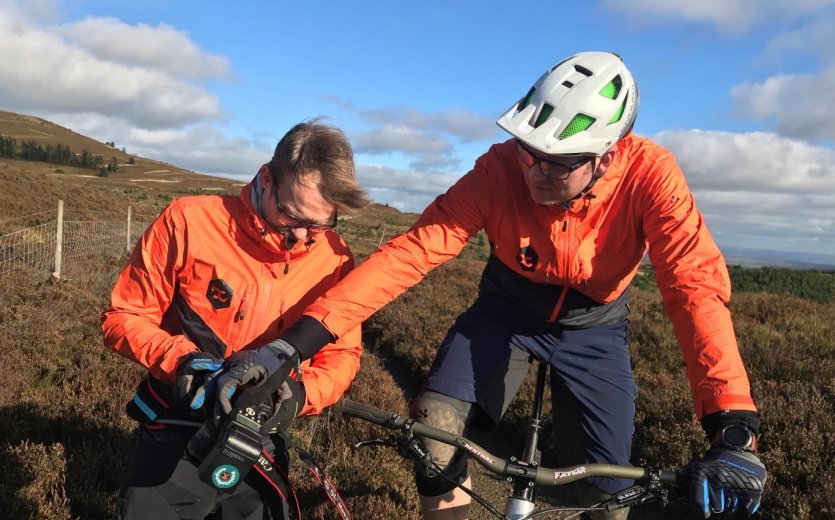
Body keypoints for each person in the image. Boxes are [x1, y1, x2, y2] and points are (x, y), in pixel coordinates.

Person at [207, 52, 768, 519]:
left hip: (593, 327)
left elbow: (693, 287)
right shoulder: (498, 169)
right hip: (505, 306)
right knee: (434, 432)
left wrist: (732, 426)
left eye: (558, 162)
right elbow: (413, 251)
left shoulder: (652, 175)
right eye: (529, 151)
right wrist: (293, 345)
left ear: (609, 155)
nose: (534, 172)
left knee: (610, 490)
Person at [101, 119, 371, 519]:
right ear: (266, 178)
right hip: (175, 423)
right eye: (290, 215)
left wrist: (299, 395)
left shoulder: (335, 258)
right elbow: (123, 316)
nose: (301, 237)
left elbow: (342, 356)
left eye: (319, 223)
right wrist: (182, 362)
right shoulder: (188, 221)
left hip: (259, 437)